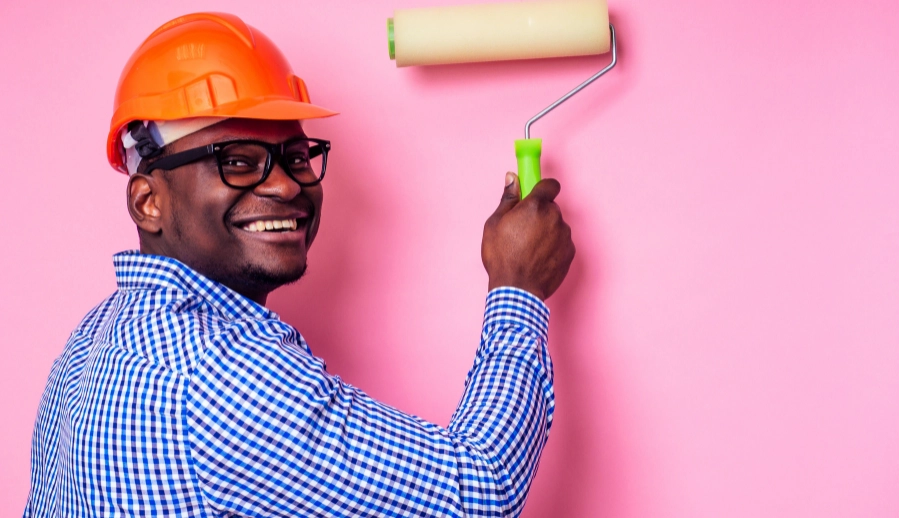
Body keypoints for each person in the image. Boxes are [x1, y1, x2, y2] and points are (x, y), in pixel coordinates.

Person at [25, 12, 574, 518]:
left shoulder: (94, 336)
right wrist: (517, 287)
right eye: (236, 161)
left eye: (295, 156)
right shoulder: (217, 376)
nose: (288, 184)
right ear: (149, 202)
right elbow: (479, 490)